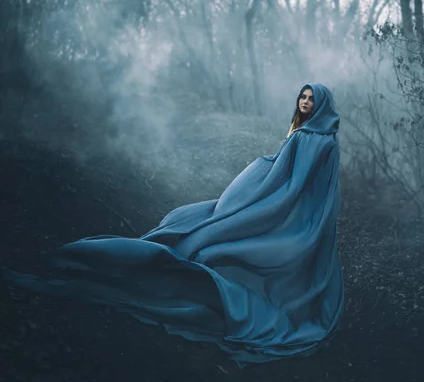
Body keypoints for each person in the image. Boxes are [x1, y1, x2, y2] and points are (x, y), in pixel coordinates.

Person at [3, 83, 344, 368]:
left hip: (291, 217)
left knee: (204, 240)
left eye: (312, 98)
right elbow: (300, 186)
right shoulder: (320, 139)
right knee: (208, 238)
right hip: (299, 220)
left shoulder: (311, 140)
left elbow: (291, 186)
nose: (305, 101)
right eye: (303, 96)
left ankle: (91, 259)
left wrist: (260, 191)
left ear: (322, 104)